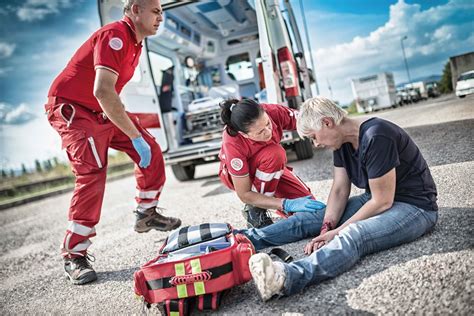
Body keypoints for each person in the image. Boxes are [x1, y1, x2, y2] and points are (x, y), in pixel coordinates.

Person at [244, 96, 438, 301]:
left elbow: (383, 201)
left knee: (354, 233)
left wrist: (337, 232)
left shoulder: (377, 135)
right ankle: (246, 238)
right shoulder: (342, 143)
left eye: (314, 137)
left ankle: (285, 277)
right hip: (376, 199)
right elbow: (339, 190)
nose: (316, 144)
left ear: (327, 122)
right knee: (313, 216)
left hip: (415, 207)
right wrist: (326, 228)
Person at [45, 0, 181, 285]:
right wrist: (132, 135)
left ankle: (146, 212)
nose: (161, 17)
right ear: (134, 10)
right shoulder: (116, 35)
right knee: (92, 171)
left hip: (98, 109)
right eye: (155, 11)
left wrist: (136, 136)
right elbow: (103, 90)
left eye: (161, 12)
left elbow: (108, 95)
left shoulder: (136, 44)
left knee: (151, 148)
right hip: (74, 109)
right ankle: (74, 254)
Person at [218, 98, 326, 228]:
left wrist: (321, 134)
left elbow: (307, 120)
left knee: (312, 212)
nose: (268, 132)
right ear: (244, 134)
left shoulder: (273, 111)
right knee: (274, 154)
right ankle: (255, 209)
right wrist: (284, 203)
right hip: (241, 177)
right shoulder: (232, 141)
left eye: (268, 124)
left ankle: (267, 199)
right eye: (260, 132)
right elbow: (244, 193)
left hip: (271, 167)